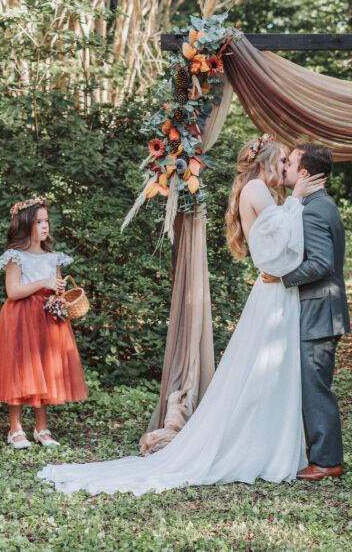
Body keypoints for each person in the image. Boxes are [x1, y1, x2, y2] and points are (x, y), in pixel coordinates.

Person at [37, 135, 324, 494]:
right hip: (274, 293)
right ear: (265, 161)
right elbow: (277, 238)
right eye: (282, 161)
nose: (286, 169)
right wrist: (296, 201)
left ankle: (269, 445)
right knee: (262, 374)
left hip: (277, 291)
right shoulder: (256, 189)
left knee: (269, 374)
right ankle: (261, 449)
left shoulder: (262, 192)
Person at [264, 142, 351, 480]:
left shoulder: (315, 209)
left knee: (316, 388)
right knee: (311, 385)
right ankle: (317, 453)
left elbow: (321, 263)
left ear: (303, 173)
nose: (283, 166)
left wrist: (282, 277)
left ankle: (327, 462)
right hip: (319, 311)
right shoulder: (313, 204)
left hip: (319, 313)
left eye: (289, 162)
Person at [0, 197, 88, 449]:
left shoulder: (53, 257)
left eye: (46, 221)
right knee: (18, 370)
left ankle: (41, 428)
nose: (45, 226)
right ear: (25, 225)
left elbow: (56, 287)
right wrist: (43, 283)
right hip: (21, 318)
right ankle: (15, 429)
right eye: (38, 222)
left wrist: (59, 291)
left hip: (47, 318)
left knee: (46, 370)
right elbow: (13, 291)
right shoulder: (15, 256)